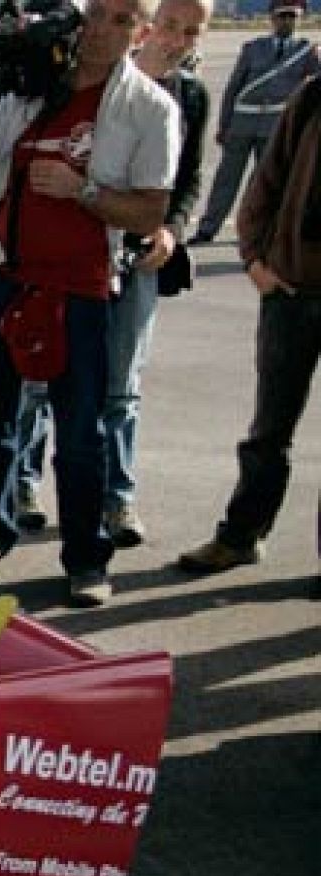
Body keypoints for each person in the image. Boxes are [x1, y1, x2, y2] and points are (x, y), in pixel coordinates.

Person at [0, 0, 178, 607]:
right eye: (98, 14)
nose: (104, 30)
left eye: (123, 20)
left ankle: (86, 559)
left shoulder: (150, 109)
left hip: (80, 287)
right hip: (3, 275)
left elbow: (151, 210)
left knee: (82, 434)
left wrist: (83, 192)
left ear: (142, 32)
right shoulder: (31, 89)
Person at [13, 0, 213, 548]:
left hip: (136, 256)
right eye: (171, 26)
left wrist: (170, 229)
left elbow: (187, 178)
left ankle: (117, 496)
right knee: (39, 377)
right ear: (147, 27)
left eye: (192, 32)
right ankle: (23, 485)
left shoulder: (186, 95)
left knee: (121, 387)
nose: (178, 39)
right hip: (73, 257)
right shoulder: (75, 76)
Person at [179, 76, 321, 573]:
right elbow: (267, 182)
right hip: (291, 291)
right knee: (268, 431)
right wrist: (255, 259)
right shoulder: (312, 96)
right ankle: (241, 536)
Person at [187, 0, 318, 245]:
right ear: (271, 18)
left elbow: (312, 91)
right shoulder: (253, 49)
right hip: (243, 122)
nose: (287, 22)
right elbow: (234, 87)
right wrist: (224, 124)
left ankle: (255, 231)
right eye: (282, 16)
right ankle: (208, 228)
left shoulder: (306, 52)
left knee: (264, 183)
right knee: (226, 179)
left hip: (276, 126)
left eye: (292, 17)